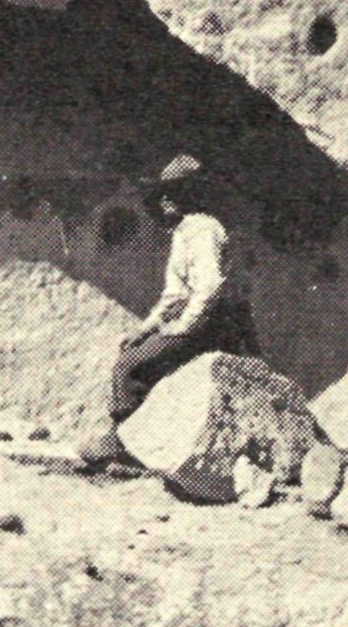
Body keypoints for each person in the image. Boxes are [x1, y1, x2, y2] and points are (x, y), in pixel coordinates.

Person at [109, 154, 259, 425]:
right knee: (133, 356)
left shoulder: (203, 229)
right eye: (162, 193)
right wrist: (145, 330)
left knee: (130, 368)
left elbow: (210, 287)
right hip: (206, 319)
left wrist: (183, 328)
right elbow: (175, 295)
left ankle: (125, 440)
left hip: (219, 322)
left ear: (191, 194)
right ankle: (138, 434)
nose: (165, 200)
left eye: (174, 192)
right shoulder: (184, 231)